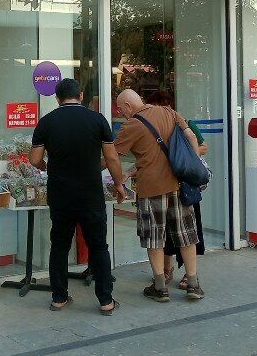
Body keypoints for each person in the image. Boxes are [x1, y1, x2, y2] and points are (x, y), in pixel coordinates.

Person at [30, 78, 126, 315]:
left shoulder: (46, 122)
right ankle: (105, 300)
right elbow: (112, 158)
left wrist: (47, 167)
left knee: (60, 245)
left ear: (56, 98)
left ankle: (59, 298)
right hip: (90, 195)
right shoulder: (97, 120)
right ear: (81, 96)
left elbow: (34, 160)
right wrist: (118, 184)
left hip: (60, 195)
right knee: (98, 246)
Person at [114, 89, 205, 302]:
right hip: (179, 184)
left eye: (120, 108)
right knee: (186, 235)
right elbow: (190, 135)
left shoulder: (131, 125)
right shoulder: (168, 112)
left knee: (154, 238)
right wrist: (193, 163)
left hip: (151, 189)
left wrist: (116, 179)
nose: (121, 112)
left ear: (128, 105)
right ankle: (193, 284)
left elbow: (112, 156)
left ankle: (160, 287)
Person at [142, 92, 209, 289]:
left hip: (184, 185)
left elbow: (203, 146)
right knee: (167, 234)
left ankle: (190, 276)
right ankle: (167, 269)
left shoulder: (184, 123)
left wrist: (183, 155)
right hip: (163, 185)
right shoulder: (150, 126)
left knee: (187, 232)